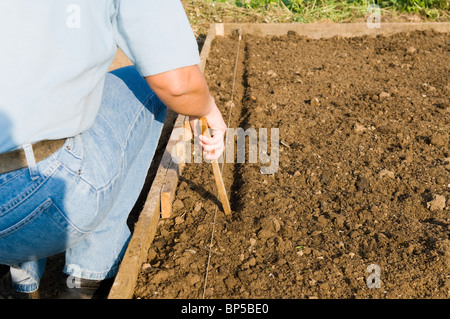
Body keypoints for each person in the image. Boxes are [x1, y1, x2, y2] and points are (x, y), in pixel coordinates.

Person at [0, 1, 226, 299]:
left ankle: (22, 283)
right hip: (33, 202)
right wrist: (208, 108)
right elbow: (178, 83)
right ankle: (87, 275)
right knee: (145, 85)